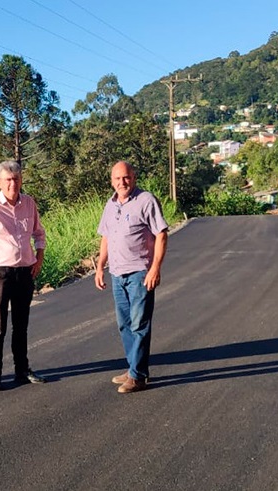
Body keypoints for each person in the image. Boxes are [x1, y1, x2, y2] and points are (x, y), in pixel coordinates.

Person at [0, 160, 48, 392]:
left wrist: (39, 257)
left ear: (21, 180)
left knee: (21, 325)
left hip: (25, 271)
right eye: (8, 180)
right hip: (0, 273)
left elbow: (39, 233)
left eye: (16, 179)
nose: (12, 184)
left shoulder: (29, 203)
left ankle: (22, 370)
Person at [94, 160, 168, 394]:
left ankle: (138, 376)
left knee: (139, 324)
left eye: (126, 177)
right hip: (117, 274)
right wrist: (100, 266)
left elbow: (161, 234)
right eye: (117, 179)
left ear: (134, 177)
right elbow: (106, 237)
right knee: (124, 324)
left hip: (139, 273)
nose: (122, 182)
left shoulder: (146, 200)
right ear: (111, 181)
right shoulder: (110, 204)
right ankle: (133, 367)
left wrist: (155, 268)